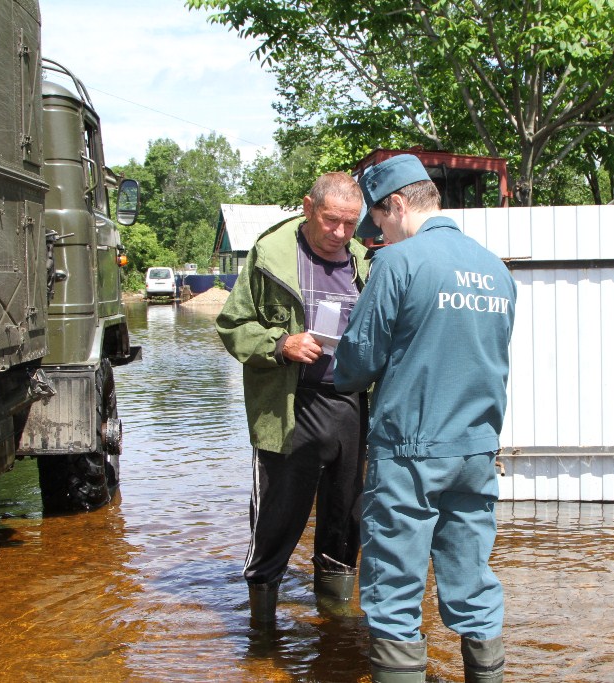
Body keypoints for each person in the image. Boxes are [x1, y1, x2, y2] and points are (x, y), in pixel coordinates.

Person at [333, 155, 516, 683]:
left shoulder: (398, 264)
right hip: (477, 451)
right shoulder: (495, 270)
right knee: (473, 583)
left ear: (395, 205)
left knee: (393, 591)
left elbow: (357, 363)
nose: (381, 237)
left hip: (410, 454)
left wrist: (336, 361)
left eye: (380, 225)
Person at [216, 172, 370, 626]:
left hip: (349, 405)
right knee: (277, 519)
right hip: (290, 406)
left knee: (345, 520)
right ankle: (261, 632)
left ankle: (334, 622)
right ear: (308, 207)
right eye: (331, 221)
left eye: (350, 223)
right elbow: (232, 325)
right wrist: (280, 344)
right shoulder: (271, 256)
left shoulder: (364, 260)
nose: (340, 233)